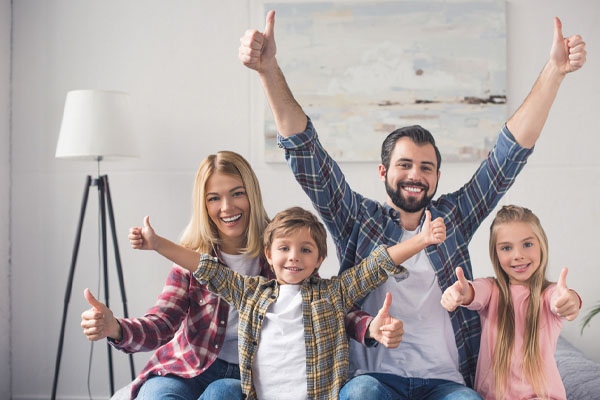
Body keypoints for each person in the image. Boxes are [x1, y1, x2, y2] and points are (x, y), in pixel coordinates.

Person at [238, 10, 587, 399]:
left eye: (426, 167)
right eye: (404, 165)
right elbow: (308, 156)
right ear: (383, 170)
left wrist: (554, 72)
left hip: (445, 381)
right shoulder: (358, 219)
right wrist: (268, 70)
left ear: (437, 177)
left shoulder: (452, 217)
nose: (415, 175)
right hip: (374, 380)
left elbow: (507, 157)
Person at [130, 206, 446, 399]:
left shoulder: (331, 293)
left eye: (306, 250)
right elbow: (204, 267)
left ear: (320, 258)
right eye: (284, 248)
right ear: (269, 254)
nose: (294, 256)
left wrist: (422, 239)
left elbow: (374, 266)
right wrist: (158, 244)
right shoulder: (250, 292)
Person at [80, 151, 272, 399]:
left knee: (220, 393)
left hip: (248, 376)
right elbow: (161, 323)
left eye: (237, 193)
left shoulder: (282, 252)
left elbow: (311, 308)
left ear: (252, 194)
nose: (227, 207)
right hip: (188, 367)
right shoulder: (190, 257)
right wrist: (115, 327)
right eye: (214, 198)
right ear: (203, 205)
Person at [441, 205, 582, 400]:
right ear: (496, 254)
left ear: (542, 245)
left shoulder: (548, 294)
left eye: (527, 244)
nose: (518, 255)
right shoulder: (492, 290)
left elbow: (562, 298)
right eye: (506, 248)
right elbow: (473, 292)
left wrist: (570, 300)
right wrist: (460, 292)